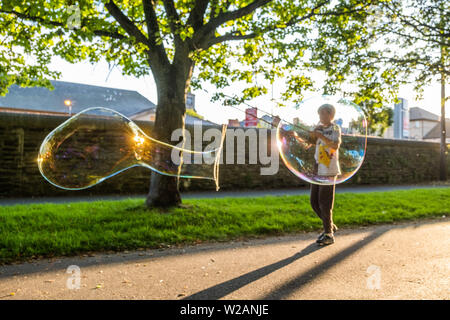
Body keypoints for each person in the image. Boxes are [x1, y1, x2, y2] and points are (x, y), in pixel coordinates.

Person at [308, 103, 341, 246]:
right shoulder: (318, 128)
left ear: (331, 115)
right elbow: (307, 143)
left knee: (324, 202)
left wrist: (320, 135)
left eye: (323, 113)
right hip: (318, 168)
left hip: (329, 169)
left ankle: (329, 234)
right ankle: (330, 227)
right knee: (314, 202)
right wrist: (295, 135)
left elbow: (335, 145)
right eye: (319, 114)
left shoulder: (335, 128)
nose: (320, 116)